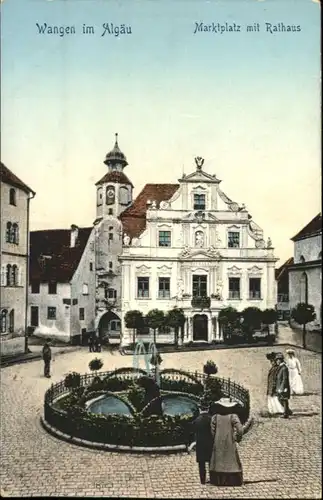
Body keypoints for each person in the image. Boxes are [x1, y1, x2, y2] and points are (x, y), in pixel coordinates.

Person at [209, 398, 244, 487]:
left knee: (218, 460)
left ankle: (218, 480)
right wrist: (237, 438)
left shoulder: (215, 417)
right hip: (230, 441)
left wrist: (215, 439)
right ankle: (232, 480)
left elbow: (212, 431)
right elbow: (240, 429)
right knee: (231, 459)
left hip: (218, 442)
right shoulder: (233, 416)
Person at [191, 402, 213, 484]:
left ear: (200, 410)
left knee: (201, 463)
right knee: (211, 462)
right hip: (210, 443)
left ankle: (202, 480)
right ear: (208, 409)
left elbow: (193, 431)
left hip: (200, 444)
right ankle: (212, 478)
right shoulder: (211, 419)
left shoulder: (197, 420)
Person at [275, 352, 292, 418]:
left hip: (283, 386)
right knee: (280, 399)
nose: (277, 362)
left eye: (277, 360)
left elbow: (285, 379)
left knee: (284, 399)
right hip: (279, 386)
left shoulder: (284, 368)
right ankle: (288, 411)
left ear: (280, 360)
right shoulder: (280, 367)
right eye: (276, 360)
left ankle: (286, 414)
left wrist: (282, 388)